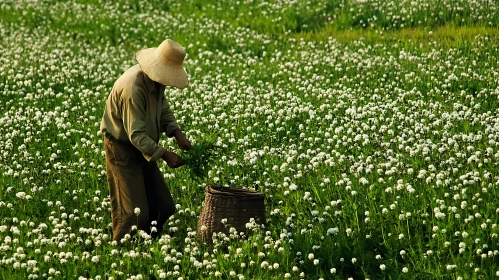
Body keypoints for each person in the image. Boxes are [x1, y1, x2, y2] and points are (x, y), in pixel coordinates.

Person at [100, 39, 192, 243]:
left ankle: (148, 240)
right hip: (122, 148)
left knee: (164, 207)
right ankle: (124, 251)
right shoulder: (134, 88)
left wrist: (177, 133)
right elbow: (136, 136)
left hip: (145, 146)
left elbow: (163, 109)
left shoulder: (157, 83)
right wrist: (165, 154)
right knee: (132, 214)